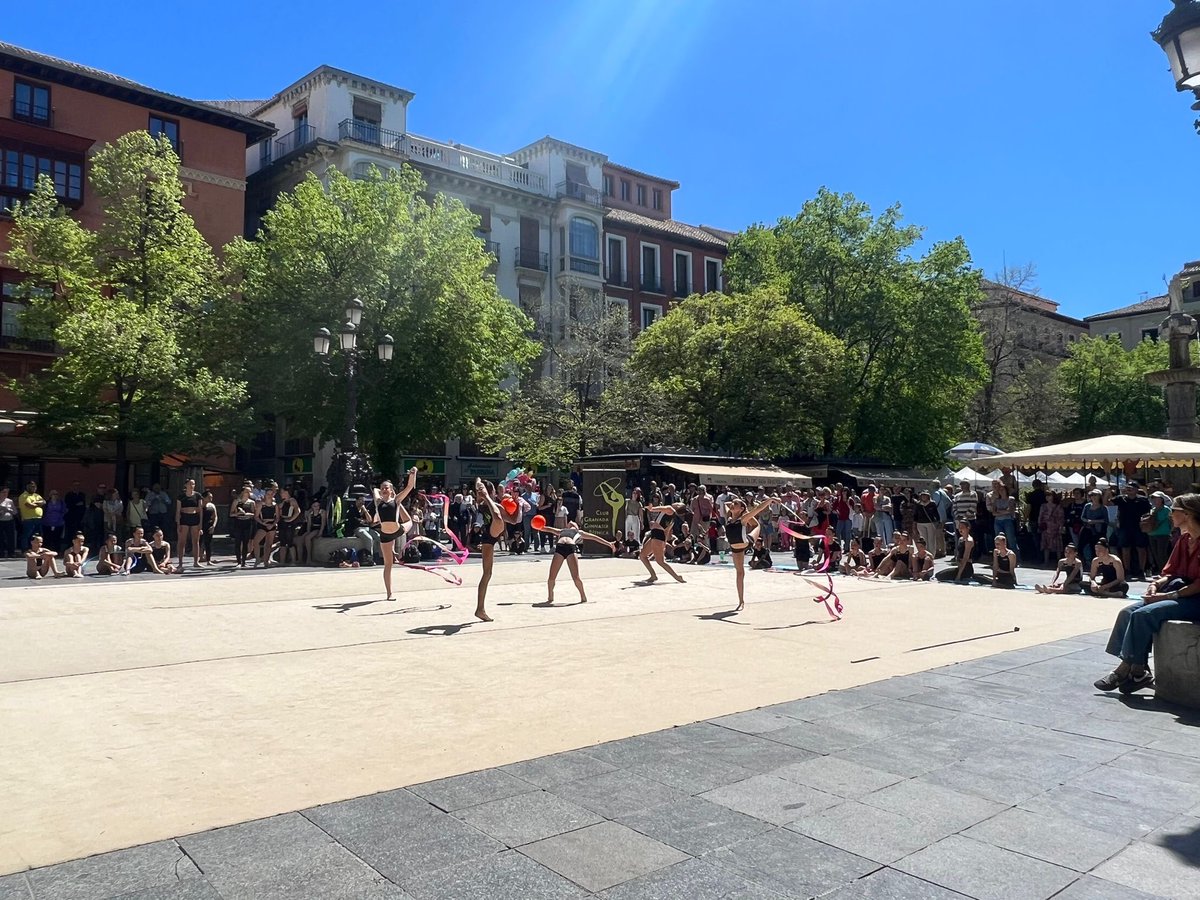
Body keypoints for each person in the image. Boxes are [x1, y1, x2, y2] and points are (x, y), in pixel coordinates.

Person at [1096, 492, 1200, 694]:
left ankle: (1125, 669)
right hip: (1178, 591)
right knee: (1127, 612)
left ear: (1187, 514)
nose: (1170, 515)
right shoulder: (1183, 539)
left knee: (1144, 615)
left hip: (1194, 597)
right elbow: (1170, 572)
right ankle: (1138, 670)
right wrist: (1156, 585)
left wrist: (1168, 596)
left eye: (1174, 511)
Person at [537, 520, 616, 605]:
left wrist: (609, 544)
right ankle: (550, 596)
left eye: (573, 522)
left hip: (571, 548)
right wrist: (538, 526)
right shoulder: (562, 531)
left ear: (577, 526)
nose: (571, 522)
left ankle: (583, 596)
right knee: (552, 576)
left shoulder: (579, 532)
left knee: (576, 577)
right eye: (569, 522)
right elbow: (548, 529)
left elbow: (595, 537)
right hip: (559, 548)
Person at [473, 479, 518, 622]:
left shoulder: (496, 505)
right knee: (498, 517)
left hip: (491, 536)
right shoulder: (483, 504)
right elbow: (498, 516)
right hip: (488, 535)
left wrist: (518, 504)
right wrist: (484, 495)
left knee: (487, 574)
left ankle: (480, 609)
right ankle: (480, 609)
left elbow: (513, 520)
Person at [373, 469, 417, 602]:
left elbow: (409, 487)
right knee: (388, 564)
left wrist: (413, 474)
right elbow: (375, 490)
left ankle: (408, 518)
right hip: (385, 535)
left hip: (398, 530)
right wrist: (382, 491)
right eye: (383, 488)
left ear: (392, 491)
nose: (384, 489)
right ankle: (389, 593)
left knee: (409, 521)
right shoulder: (378, 502)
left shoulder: (396, 500)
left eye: (387, 488)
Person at [639, 501, 688, 585]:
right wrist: (664, 544)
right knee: (643, 555)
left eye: (678, 503)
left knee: (660, 561)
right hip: (657, 536)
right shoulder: (673, 518)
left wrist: (652, 509)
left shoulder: (670, 509)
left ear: (678, 506)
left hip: (657, 535)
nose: (676, 502)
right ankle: (653, 575)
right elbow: (667, 532)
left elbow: (660, 508)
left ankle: (677, 577)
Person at [1114, 481, 1151, 579]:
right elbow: (1106, 502)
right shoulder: (1121, 499)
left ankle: (1141, 570)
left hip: (1139, 527)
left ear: (1136, 490)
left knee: (1141, 548)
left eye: (1131, 488)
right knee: (1125, 548)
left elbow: (1149, 513)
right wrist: (1109, 491)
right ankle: (1127, 570)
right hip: (1124, 527)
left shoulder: (1143, 500)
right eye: (1127, 488)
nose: (1129, 489)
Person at [175, 479, 203, 570]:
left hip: (195, 518)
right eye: (190, 484)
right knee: (182, 541)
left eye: (193, 484)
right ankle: (180, 563)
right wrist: (178, 523)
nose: (192, 485)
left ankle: (196, 562)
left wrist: (200, 523)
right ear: (186, 485)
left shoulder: (198, 495)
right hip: (184, 518)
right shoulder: (181, 496)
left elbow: (200, 510)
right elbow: (178, 510)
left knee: (196, 541)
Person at [252, 482, 280, 568]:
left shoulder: (275, 505)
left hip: (272, 524)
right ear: (265, 494)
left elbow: (278, 517)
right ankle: (257, 558)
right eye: (268, 494)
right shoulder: (261, 504)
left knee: (269, 544)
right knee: (256, 541)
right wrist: (262, 523)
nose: (269, 496)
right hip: (263, 523)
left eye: (271, 494)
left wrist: (273, 524)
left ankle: (266, 560)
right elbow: (256, 516)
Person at [1145, 490, 1173, 577]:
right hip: (1152, 534)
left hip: (1163, 534)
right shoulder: (1152, 510)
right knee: (1155, 553)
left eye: (1156, 498)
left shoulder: (1166, 509)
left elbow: (1170, 521)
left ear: (1161, 499)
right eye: (1153, 498)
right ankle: (1161, 570)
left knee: (1162, 553)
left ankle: (1165, 571)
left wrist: (1171, 531)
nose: (1154, 500)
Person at [229, 485, 256, 568]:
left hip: (247, 522)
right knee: (238, 542)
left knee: (245, 542)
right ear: (242, 492)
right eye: (246, 491)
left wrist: (248, 514)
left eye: (249, 492)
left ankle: (244, 561)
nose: (248, 493)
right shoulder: (237, 501)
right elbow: (231, 514)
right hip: (238, 522)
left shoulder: (251, 502)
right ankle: (238, 561)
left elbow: (254, 514)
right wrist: (238, 513)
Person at [1038, 491, 1065, 567]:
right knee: (1045, 545)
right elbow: (1040, 516)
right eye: (1046, 496)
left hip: (1055, 528)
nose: (1048, 497)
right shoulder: (1043, 506)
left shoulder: (1058, 506)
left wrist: (1061, 527)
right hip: (1045, 527)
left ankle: (1059, 562)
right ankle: (1046, 561)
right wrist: (1039, 525)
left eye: (1049, 495)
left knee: (1058, 546)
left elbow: (1061, 518)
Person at [276, 487, 301, 566]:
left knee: (290, 542)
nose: (281, 494)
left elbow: (298, 511)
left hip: (289, 522)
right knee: (282, 542)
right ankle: (282, 561)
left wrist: (291, 519)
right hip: (282, 522)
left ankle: (293, 561)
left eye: (282, 492)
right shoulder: (282, 501)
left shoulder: (292, 500)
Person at [17, 481, 44, 550]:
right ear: (27, 487)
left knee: (37, 536)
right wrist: (39, 504)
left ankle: (35, 549)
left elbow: (44, 502)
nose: (34, 488)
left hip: (38, 519)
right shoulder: (23, 496)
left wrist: (35, 503)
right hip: (28, 519)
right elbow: (29, 506)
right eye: (32, 487)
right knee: (27, 535)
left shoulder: (36, 495)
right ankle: (25, 549)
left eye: (35, 487)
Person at [297, 499, 324, 566]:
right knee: (300, 540)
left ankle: (309, 559)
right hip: (312, 528)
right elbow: (309, 524)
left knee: (308, 538)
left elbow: (323, 523)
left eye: (318, 506)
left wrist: (321, 531)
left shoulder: (322, 512)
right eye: (314, 506)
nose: (316, 507)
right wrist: (308, 532)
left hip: (318, 528)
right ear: (312, 506)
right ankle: (300, 559)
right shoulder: (310, 513)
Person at [64, 481, 87, 547]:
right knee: (70, 532)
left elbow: (83, 505)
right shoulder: (69, 495)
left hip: (80, 517)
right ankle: (69, 545)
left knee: (79, 532)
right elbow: (68, 505)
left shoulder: (82, 495)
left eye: (77, 486)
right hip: (70, 517)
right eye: (75, 486)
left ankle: (79, 545)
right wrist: (76, 504)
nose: (76, 487)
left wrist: (76, 504)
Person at [200, 491, 219, 565]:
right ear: (204, 498)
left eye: (211, 497)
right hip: (201, 525)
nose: (211, 498)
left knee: (208, 543)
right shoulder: (200, 505)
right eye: (209, 497)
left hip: (209, 525)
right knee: (200, 542)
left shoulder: (212, 505)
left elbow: (215, 516)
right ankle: (200, 557)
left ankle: (208, 560)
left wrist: (213, 525)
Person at [0, 487, 16, 559]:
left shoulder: (10, 501)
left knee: (10, 537)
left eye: (6, 492)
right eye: (3, 492)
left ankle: (11, 552)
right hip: (1, 521)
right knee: (1, 537)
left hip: (9, 521)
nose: (5, 494)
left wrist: (8, 509)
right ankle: (1, 553)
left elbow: (15, 512)